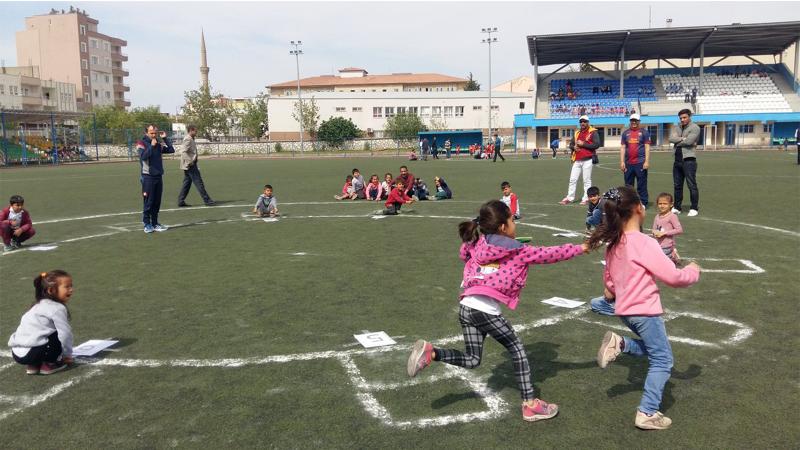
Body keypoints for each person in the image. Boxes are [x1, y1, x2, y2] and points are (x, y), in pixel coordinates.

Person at [407, 200, 588, 422]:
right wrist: (581, 247)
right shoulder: (519, 251)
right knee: (517, 349)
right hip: (485, 311)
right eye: (512, 220)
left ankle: (432, 353)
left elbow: (464, 253)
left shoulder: (476, 244)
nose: (515, 223)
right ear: (503, 227)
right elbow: (549, 253)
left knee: (473, 359)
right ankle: (530, 404)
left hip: (466, 306)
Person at [587, 186, 700, 430]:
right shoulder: (645, 243)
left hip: (625, 311)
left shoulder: (614, 244)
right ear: (639, 209)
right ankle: (647, 412)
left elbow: (609, 286)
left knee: (655, 349)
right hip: (645, 312)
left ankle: (622, 344)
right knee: (663, 359)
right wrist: (693, 270)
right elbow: (674, 277)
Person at [7, 270, 75, 375]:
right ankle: (49, 364)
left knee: (41, 332)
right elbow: (65, 334)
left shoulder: (36, 305)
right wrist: (67, 355)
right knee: (57, 333)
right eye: (67, 287)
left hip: (17, 354)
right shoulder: (57, 308)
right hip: (33, 353)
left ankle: (33, 365)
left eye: (71, 286)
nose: (71, 290)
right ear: (51, 290)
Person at [138, 124, 175, 233]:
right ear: (146, 133)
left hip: (158, 176)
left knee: (156, 202)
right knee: (148, 202)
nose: (154, 135)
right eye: (151, 133)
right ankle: (147, 224)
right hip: (148, 177)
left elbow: (171, 150)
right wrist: (151, 146)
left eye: (155, 133)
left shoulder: (158, 144)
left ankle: (155, 223)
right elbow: (143, 156)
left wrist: (165, 138)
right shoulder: (141, 143)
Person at [560, 116, 600, 205]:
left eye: (584, 121)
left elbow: (597, 144)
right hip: (577, 159)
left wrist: (583, 144)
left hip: (588, 159)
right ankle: (570, 197)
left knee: (586, 180)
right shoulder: (577, 133)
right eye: (581, 122)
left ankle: (586, 198)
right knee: (572, 179)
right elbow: (571, 144)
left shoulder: (593, 132)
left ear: (588, 122)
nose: (583, 123)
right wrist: (573, 147)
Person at [668, 109, 701, 216]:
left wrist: (678, 140)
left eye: (684, 117)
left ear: (689, 116)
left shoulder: (695, 127)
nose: (682, 120)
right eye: (681, 118)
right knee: (677, 185)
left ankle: (694, 208)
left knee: (691, 185)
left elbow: (689, 141)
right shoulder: (676, 126)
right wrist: (682, 138)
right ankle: (677, 207)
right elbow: (670, 138)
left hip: (689, 161)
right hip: (677, 160)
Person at [177, 125, 215, 207]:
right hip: (190, 165)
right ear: (191, 130)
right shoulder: (188, 139)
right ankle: (207, 200)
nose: (196, 132)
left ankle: (181, 200)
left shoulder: (191, 138)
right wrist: (190, 162)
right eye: (195, 131)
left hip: (190, 165)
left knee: (186, 183)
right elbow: (183, 151)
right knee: (199, 182)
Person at [620, 114, 651, 208]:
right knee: (628, 185)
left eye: (636, 120)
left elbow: (647, 147)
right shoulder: (625, 133)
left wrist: (646, 161)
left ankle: (643, 202)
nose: (634, 122)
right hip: (628, 163)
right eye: (632, 120)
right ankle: (630, 202)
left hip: (640, 163)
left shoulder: (644, 132)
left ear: (639, 121)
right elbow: (623, 147)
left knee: (642, 184)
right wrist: (622, 161)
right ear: (630, 121)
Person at [652, 193, 683, 264]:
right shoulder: (657, 216)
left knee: (662, 263)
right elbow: (654, 229)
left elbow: (679, 230)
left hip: (666, 246)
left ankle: (672, 256)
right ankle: (673, 255)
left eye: (665, 204)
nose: (662, 206)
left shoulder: (672, 216)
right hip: (657, 245)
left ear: (671, 204)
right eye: (660, 203)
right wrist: (655, 233)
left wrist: (664, 233)